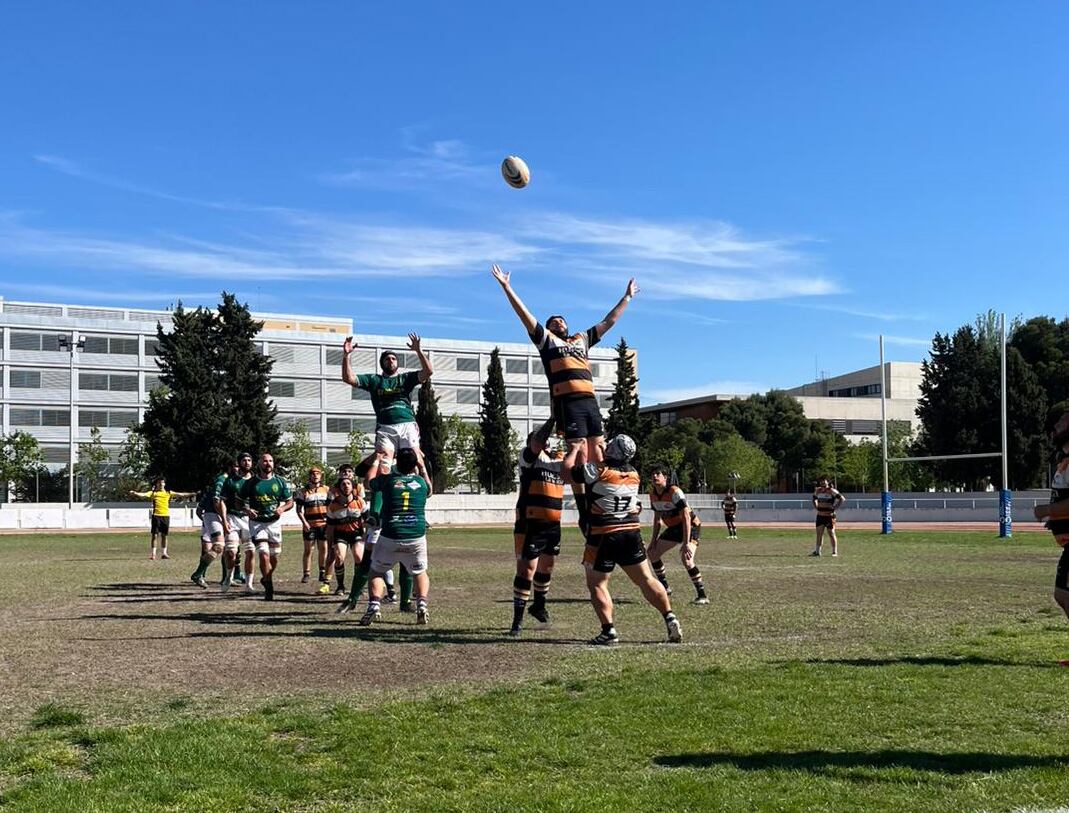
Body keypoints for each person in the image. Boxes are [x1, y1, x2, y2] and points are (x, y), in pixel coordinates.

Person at [492, 264, 637, 536]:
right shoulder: (547, 343)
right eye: (552, 321)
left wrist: (627, 297)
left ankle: (601, 506)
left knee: (599, 454)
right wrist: (507, 288)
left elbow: (609, 321)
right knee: (579, 454)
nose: (558, 322)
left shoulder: (581, 340)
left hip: (590, 403)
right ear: (548, 329)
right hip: (568, 404)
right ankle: (584, 512)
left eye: (561, 320)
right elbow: (526, 317)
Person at [563, 435, 681, 646]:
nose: (606, 446)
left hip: (603, 535)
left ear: (614, 451)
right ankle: (670, 617)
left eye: (610, 445)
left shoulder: (599, 471)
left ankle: (608, 630)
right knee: (646, 579)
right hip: (631, 533)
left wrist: (574, 450)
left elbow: (567, 472)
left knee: (597, 583)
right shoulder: (634, 475)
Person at [358, 448, 433, 627]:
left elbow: (368, 482)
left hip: (391, 533)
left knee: (376, 571)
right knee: (419, 571)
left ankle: (374, 606)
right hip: (416, 534)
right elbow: (430, 490)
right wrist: (422, 468)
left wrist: (376, 460)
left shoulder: (389, 480)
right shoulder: (421, 483)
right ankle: (421, 604)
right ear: (415, 464)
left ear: (396, 463)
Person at [509, 418, 564, 637]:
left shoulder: (556, 461)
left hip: (553, 524)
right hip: (530, 523)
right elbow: (538, 441)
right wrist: (554, 417)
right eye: (540, 440)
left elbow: (577, 460)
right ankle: (517, 620)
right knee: (526, 570)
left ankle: (539, 605)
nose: (545, 442)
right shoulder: (529, 458)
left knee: (546, 568)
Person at [1034, 405, 1069, 666]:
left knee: (1064, 596)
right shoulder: (1063, 461)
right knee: (1063, 596)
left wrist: (1047, 510)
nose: (1055, 426)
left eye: (1062, 422)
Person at [646, 466, 709, 605]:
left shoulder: (675, 491)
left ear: (665, 478)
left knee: (686, 559)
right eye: (653, 474)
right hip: (675, 528)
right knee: (653, 553)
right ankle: (665, 588)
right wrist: (653, 541)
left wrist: (686, 543)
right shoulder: (653, 495)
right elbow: (657, 520)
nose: (655, 476)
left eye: (658, 473)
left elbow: (686, 518)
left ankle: (702, 595)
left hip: (691, 526)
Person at [238, 453, 294, 601]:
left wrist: (282, 509)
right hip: (257, 523)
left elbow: (290, 502)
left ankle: (266, 577)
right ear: (259, 464)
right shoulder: (250, 483)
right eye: (264, 461)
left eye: (270, 461)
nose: (267, 463)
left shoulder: (280, 482)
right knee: (263, 553)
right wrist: (247, 510)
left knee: (275, 555)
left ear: (273, 464)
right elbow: (238, 502)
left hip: (274, 523)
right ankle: (269, 587)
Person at [128, 477, 196, 560]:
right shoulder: (153, 493)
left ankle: (164, 553)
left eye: (162, 482)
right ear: (156, 484)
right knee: (155, 535)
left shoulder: (168, 493)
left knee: (164, 536)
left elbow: (181, 494)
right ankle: (153, 554)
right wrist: (135, 493)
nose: (161, 484)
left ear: (164, 484)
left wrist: (192, 494)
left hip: (165, 516)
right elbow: (143, 494)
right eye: (159, 483)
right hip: (156, 515)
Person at [325, 476, 367, 597]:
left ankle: (358, 585)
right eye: (343, 484)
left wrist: (366, 534)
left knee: (359, 557)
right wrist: (330, 544)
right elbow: (330, 527)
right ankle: (340, 586)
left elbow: (368, 518)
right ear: (339, 488)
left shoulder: (359, 501)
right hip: (341, 535)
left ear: (353, 487)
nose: (346, 486)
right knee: (339, 558)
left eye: (348, 483)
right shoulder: (333, 505)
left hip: (356, 534)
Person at [218, 453, 254, 591]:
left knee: (250, 552)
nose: (247, 462)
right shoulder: (231, 481)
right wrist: (224, 520)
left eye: (249, 460)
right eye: (244, 460)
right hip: (233, 518)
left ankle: (249, 584)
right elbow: (222, 501)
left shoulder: (256, 480)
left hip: (249, 520)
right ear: (239, 463)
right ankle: (228, 577)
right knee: (231, 552)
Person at [191, 468, 230, 589]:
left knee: (226, 548)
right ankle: (199, 575)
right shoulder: (222, 481)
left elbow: (199, 510)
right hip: (213, 518)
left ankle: (226, 578)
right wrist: (209, 522)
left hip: (212, 519)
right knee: (217, 547)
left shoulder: (216, 487)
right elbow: (208, 505)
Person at [294, 466, 330, 585]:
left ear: (321, 476)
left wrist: (329, 522)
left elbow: (331, 507)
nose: (315, 476)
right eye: (313, 474)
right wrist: (304, 523)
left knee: (323, 549)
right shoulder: (302, 492)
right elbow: (299, 510)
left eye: (318, 474)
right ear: (309, 475)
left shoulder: (326, 490)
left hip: (324, 524)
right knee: (308, 550)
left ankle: (322, 572)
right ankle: (306, 573)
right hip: (309, 525)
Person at [811, 477, 844, 557]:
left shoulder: (832, 491)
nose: (823, 487)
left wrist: (835, 507)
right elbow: (814, 499)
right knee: (819, 534)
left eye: (825, 485)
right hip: (820, 515)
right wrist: (816, 506)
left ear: (828, 484)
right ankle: (817, 551)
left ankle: (834, 552)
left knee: (831, 533)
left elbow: (842, 499)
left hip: (829, 516)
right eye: (822, 485)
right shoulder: (818, 491)